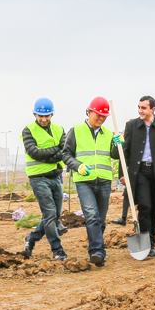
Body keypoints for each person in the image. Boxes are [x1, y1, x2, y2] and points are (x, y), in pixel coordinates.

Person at [62, 96, 119, 266]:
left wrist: (119, 144)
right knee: (92, 216)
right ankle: (97, 251)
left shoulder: (109, 133)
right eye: (98, 115)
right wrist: (77, 166)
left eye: (104, 117)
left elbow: (115, 156)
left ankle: (97, 246)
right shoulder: (76, 131)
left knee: (100, 220)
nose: (101, 119)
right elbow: (65, 154)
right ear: (89, 112)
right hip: (84, 181)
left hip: (104, 181)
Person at [122, 96, 155, 258]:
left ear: (152, 109)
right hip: (139, 174)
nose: (140, 110)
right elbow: (124, 151)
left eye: (143, 108)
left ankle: (151, 242)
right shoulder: (131, 126)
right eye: (138, 107)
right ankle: (145, 244)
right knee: (144, 206)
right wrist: (122, 173)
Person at [19, 98, 67, 261]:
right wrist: (55, 153)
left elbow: (65, 149)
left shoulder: (59, 129)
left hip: (56, 176)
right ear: (35, 114)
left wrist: (48, 154)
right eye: (40, 116)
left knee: (54, 215)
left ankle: (31, 239)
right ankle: (57, 249)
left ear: (52, 114)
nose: (44, 119)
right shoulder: (28, 130)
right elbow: (34, 152)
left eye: (47, 116)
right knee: (50, 213)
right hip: (38, 178)